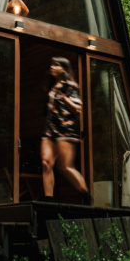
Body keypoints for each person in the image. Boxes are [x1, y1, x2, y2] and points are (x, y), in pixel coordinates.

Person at [41, 57, 91, 202]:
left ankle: (86, 196)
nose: (52, 67)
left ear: (64, 69)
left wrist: (65, 99)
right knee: (46, 162)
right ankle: (48, 199)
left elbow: (78, 109)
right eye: (52, 64)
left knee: (65, 167)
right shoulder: (51, 88)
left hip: (65, 130)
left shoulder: (71, 86)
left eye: (56, 65)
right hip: (49, 131)